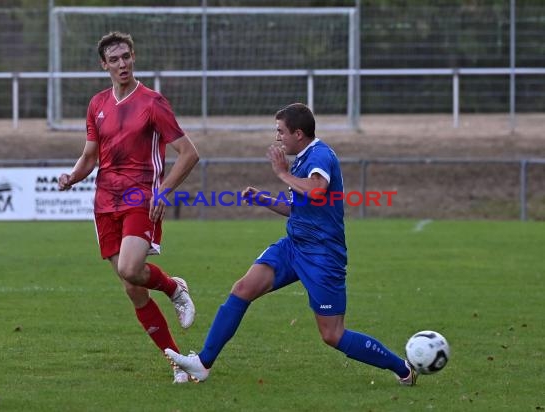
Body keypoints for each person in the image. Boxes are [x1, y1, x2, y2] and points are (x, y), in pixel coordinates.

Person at [166, 103, 417, 385]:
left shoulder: (320, 155)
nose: (277, 138)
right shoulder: (303, 157)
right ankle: (203, 363)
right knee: (243, 288)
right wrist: (264, 199)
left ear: (299, 133)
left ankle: (403, 369)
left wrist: (282, 174)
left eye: (281, 132)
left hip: (322, 255)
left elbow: (318, 189)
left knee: (332, 334)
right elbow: (299, 207)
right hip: (294, 246)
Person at [58, 32, 199, 384]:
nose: (122, 64)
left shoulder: (153, 103)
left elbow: (189, 153)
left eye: (126, 57)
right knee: (132, 287)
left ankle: (172, 289)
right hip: (105, 203)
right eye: (115, 59)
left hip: (140, 197)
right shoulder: (97, 104)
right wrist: (73, 176)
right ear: (104, 65)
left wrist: (163, 192)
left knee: (131, 267)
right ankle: (178, 362)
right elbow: (90, 156)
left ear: (133, 57)